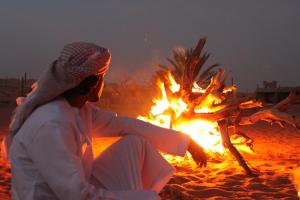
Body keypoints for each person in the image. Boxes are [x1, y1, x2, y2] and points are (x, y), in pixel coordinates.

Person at [4, 42, 207, 200]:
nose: (104, 83)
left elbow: (124, 124)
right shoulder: (51, 124)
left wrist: (186, 142)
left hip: (74, 189)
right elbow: (77, 195)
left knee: (135, 145)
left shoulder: (78, 109)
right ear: (92, 84)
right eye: (102, 77)